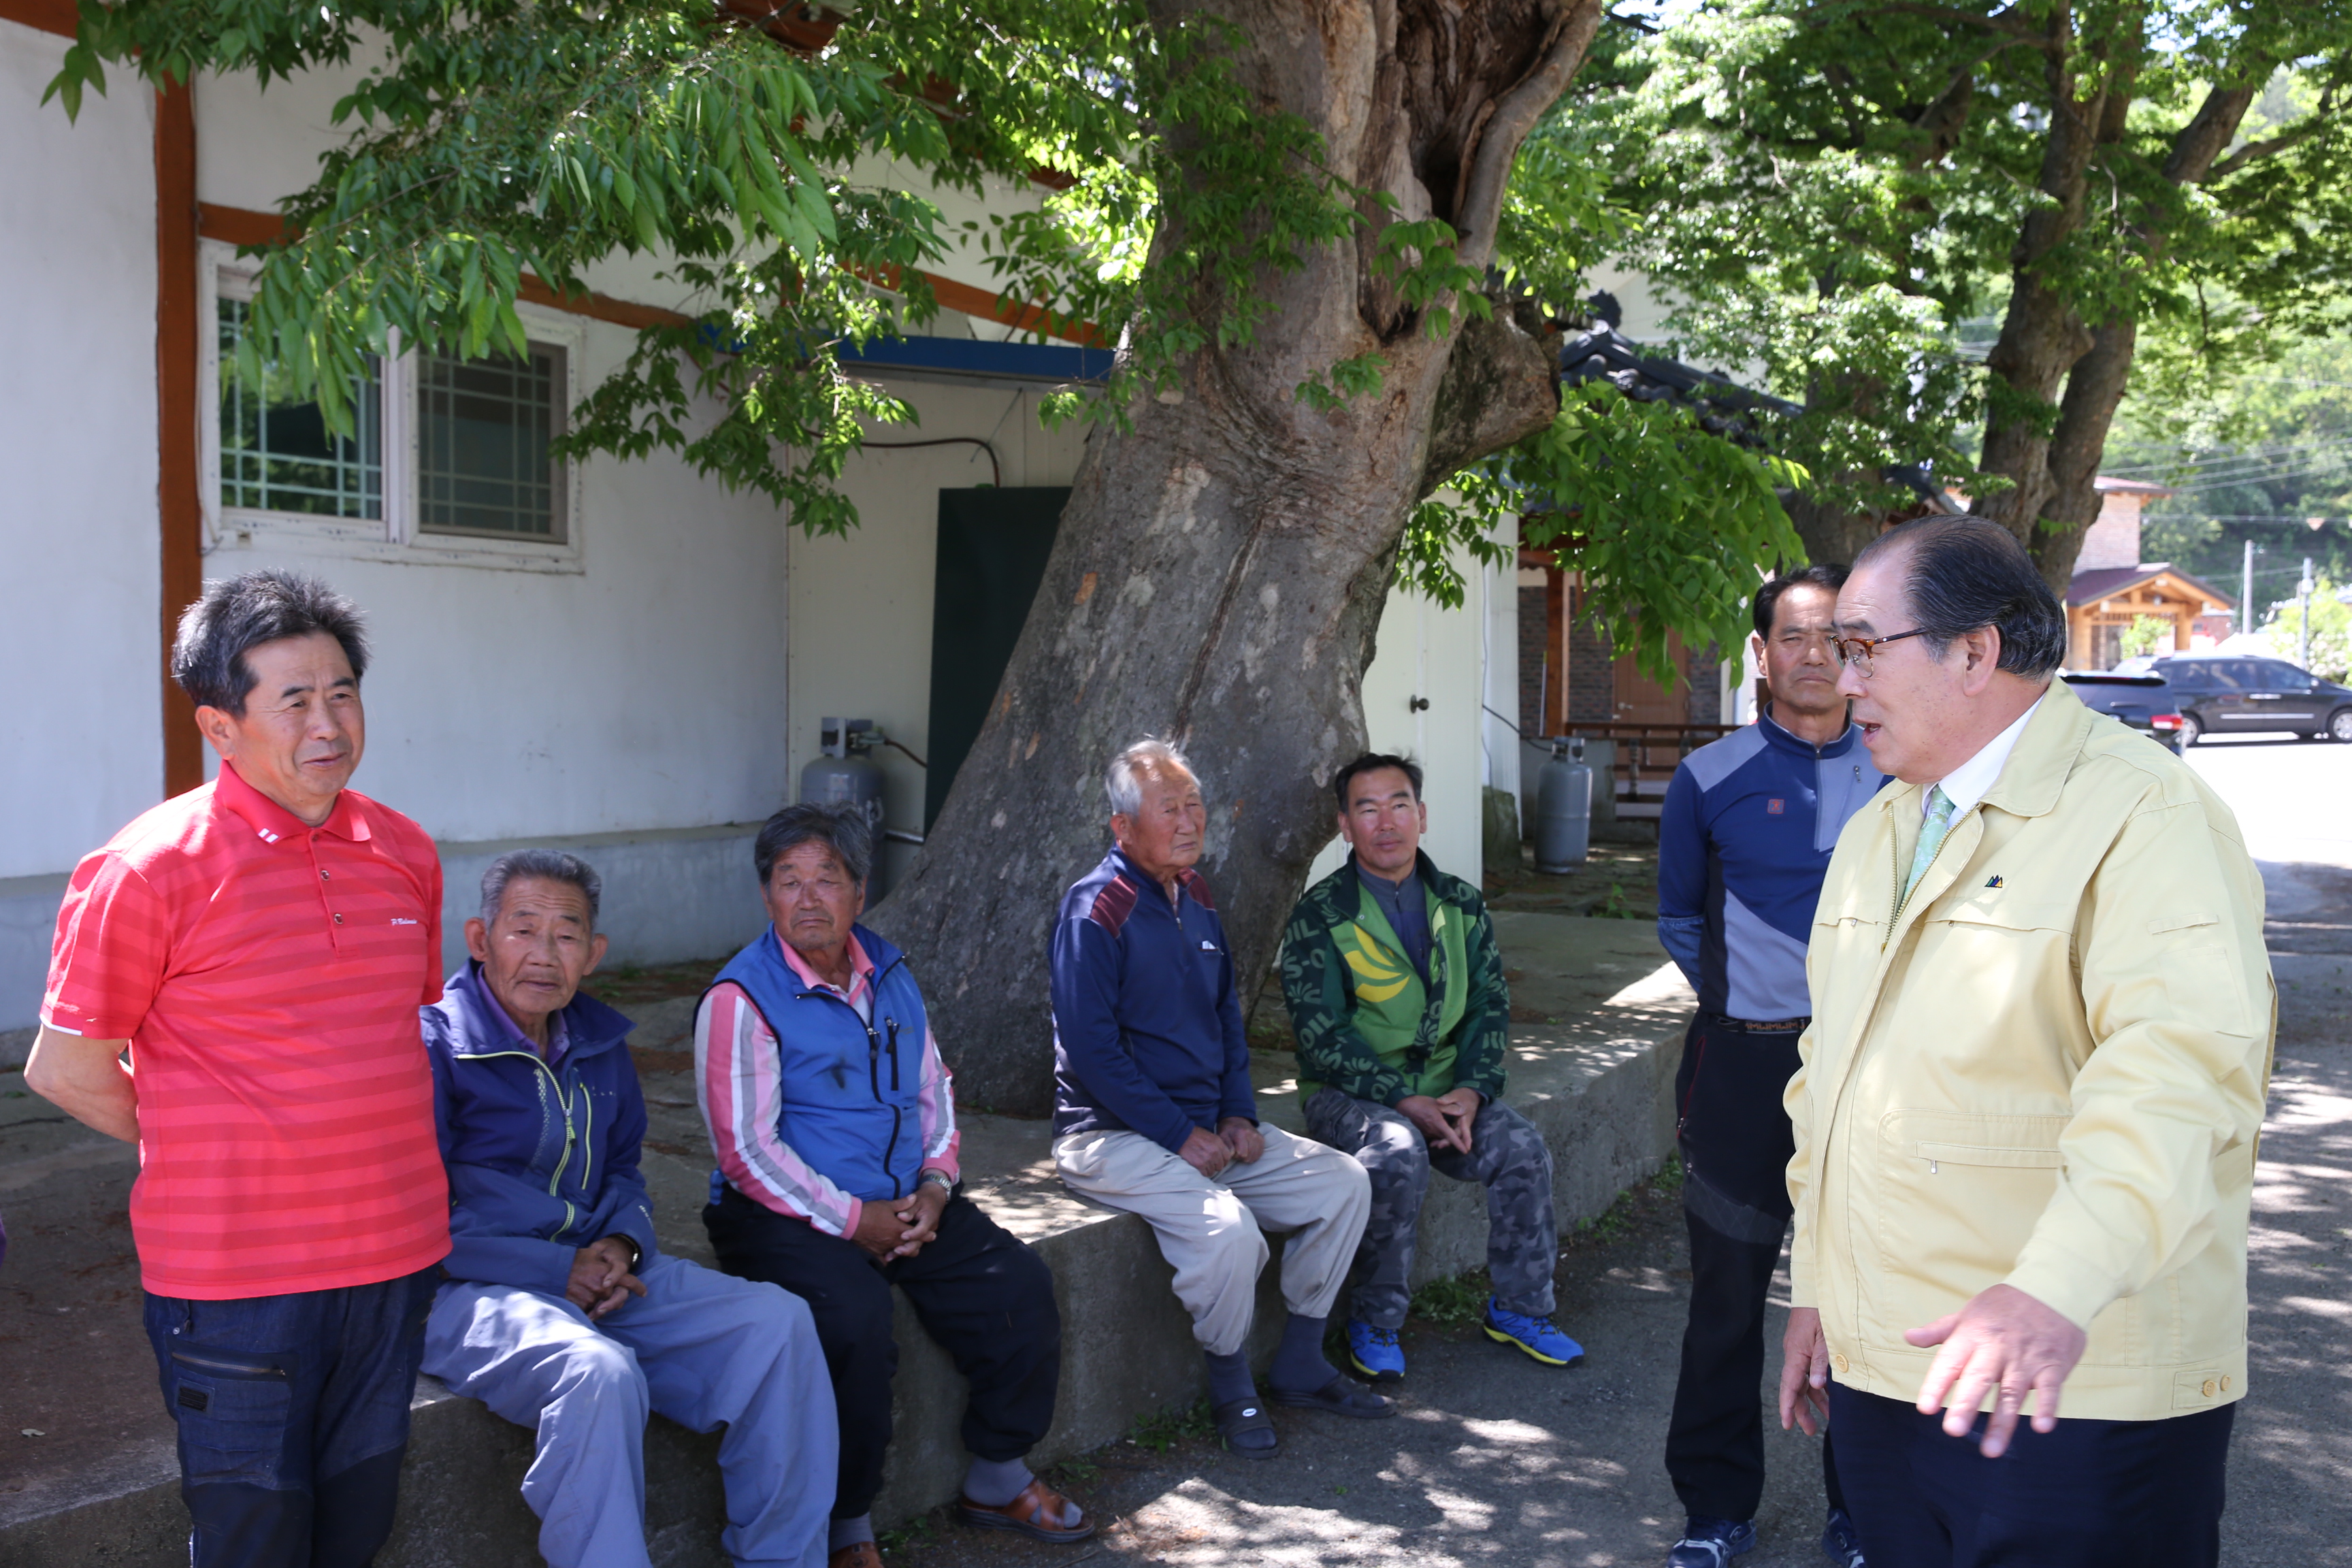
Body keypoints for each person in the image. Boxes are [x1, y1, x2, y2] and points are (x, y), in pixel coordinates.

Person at [1778, 517, 2271, 1568]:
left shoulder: (2145, 812)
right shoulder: (1883, 828)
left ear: (1975, 651)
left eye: (1863, 648)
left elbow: (2180, 1081)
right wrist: (1820, 1288)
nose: (1835, 679)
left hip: (2076, 1380)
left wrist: (2054, 1288)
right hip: (1891, 1372)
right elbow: (1830, 1083)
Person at [28, 570, 449, 1567]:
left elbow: (393, 1029)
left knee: (359, 1523)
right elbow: (64, 1068)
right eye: (293, 699)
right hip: (236, 1281)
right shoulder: (150, 868)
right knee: (252, 1535)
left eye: (342, 691)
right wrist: (206, 1129)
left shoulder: (406, 852)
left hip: (394, 1261)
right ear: (222, 726)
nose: (329, 722)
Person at [421, 850, 837, 1568]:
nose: (544, 955)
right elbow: (417, 1213)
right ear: (480, 940)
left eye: (566, 934)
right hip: (464, 1289)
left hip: (593, 1266)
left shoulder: (597, 1041)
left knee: (777, 1325)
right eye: (523, 931)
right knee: (598, 1373)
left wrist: (621, 1245)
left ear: (595, 952)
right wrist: (558, 1268)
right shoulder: (435, 1045)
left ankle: (782, 1559)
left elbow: (622, 1169)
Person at [696, 805, 1083, 1568]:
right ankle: (845, 1526)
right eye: (788, 882)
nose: (809, 899)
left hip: (905, 1197)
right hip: (781, 1213)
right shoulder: (740, 998)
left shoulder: (892, 972)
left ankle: (997, 1476)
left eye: (827, 880)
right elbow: (746, 1151)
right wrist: (853, 1220)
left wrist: (937, 1186)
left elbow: (933, 1090)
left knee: (1018, 1284)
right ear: (767, 895)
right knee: (853, 1323)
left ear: (859, 892)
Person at [1051, 738, 1391, 1459]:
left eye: (1194, 804)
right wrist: (1180, 1133)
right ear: (1121, 828)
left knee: (1344, 1183)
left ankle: (1300, 1360)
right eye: (1168, 809)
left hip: (1201, 1128)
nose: (1188, 821)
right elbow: (1092, 1051)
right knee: (1229, 1233)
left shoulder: (1197, 894)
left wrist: (1239, 1112)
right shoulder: (1095, 910)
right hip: (1108, 1135)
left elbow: (1225, 1017)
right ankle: (1231, 1383)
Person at [1654, 565, 1884, 1568]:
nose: (1816, 654)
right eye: (1794, 636)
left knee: (1875, 1302)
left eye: (1837, 635)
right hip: (1745, 1071)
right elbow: (1675, 914)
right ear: (1760, 655)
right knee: (1725, 1304)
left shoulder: (1905, 767)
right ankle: (1715, 1512)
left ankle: (1866, 1513)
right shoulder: (1709, 777)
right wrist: (1756, 998)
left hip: (1875, 1077)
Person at [1279, 752, 1582, 1384]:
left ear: (1422, 815)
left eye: (1398, 805)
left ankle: (1519, 1309)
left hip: (1447, 1093)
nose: (1385, 822)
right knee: (1396, 1152)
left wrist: (1473, 1090)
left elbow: (1489, 1008)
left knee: (1522, 1148)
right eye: (1367, 808)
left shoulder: (1461, 904)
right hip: (1350, 1096)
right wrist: (1400, 1098)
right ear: (1345, 825)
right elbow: (1320, 1036)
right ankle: (1376, 1319)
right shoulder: (1321, 915)